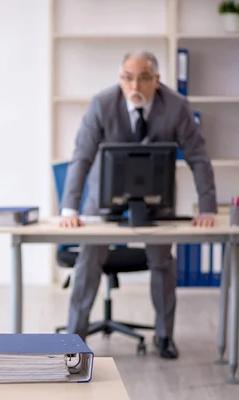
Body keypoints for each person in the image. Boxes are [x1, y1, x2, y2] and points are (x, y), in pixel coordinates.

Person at [59, 50, 217, 359]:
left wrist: (208, 208)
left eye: (143, 78)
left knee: (163, 264)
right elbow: (82, 157)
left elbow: (199, 157)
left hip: (157, 203)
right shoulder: (102, 104)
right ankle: (73, 341)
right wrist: (70, 210)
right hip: (102, 203)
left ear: (156, 80)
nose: (134, 86)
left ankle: (164, 337)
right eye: (127, 78)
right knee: (88, 263)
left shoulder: (176, 107)